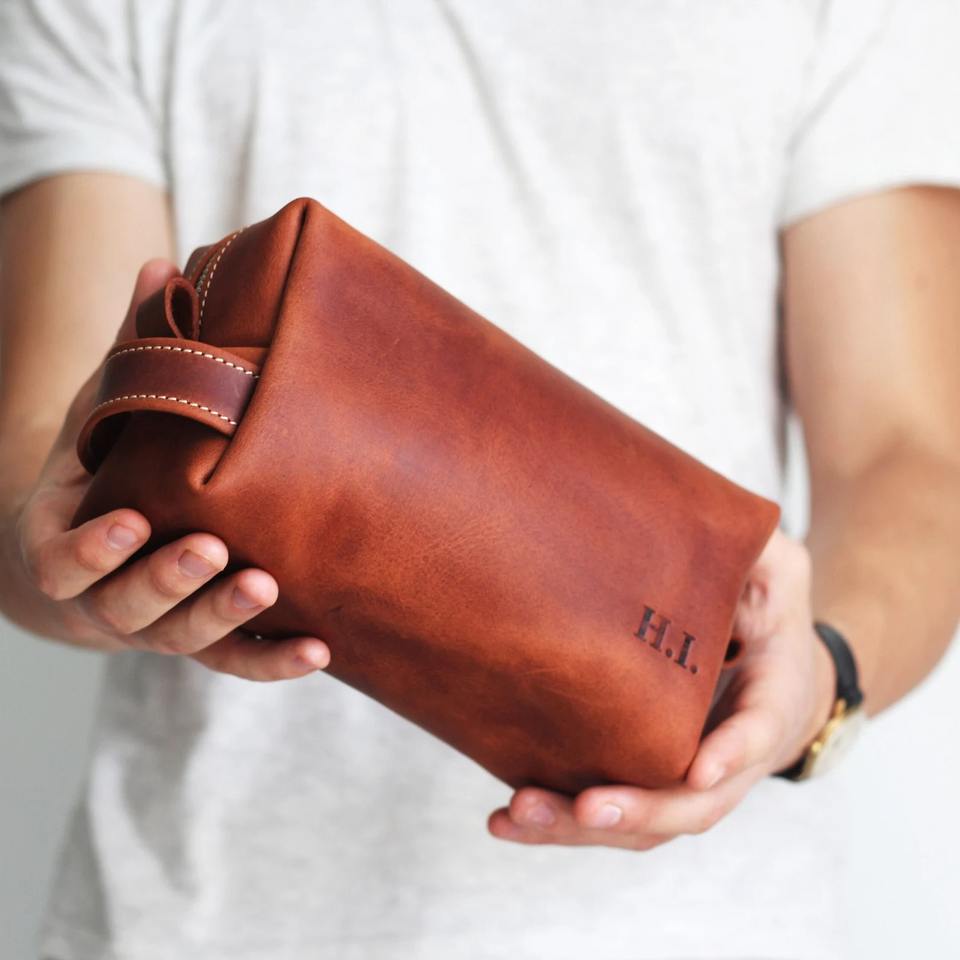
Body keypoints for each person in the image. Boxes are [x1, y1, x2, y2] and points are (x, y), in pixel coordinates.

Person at [1, 1, 958, 958]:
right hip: (189, 920)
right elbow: (41, 464)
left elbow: (911, 456)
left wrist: (819, 682)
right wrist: (80, 570)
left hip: (702, 912)